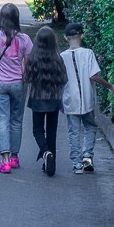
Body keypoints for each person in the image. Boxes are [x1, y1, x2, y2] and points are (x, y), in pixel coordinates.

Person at [61, 20, 114, 173]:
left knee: (73, 131)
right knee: (89, 127)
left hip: (70, 100)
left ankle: (77, 164)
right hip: (87, 98)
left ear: (66, 38)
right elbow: (94, 76)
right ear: (82, 36)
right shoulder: (88, 53)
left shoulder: (62, 56)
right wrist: (111, 86)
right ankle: (87, 157)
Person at [0, 2, 32, 172]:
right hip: (18, 83)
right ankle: (14, 157)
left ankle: (4, 160)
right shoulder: (24, 39)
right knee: (16, 120)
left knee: (2, 120)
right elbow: (27, 61)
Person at [23, 25, 68, 177]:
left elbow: (27, 78)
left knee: (37, 131)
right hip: (54, 100)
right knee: (52, 132)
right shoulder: (58, 59)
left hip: (37, 99)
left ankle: (46, 152)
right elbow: (64, 79)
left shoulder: (33, 59)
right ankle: (50, 163)